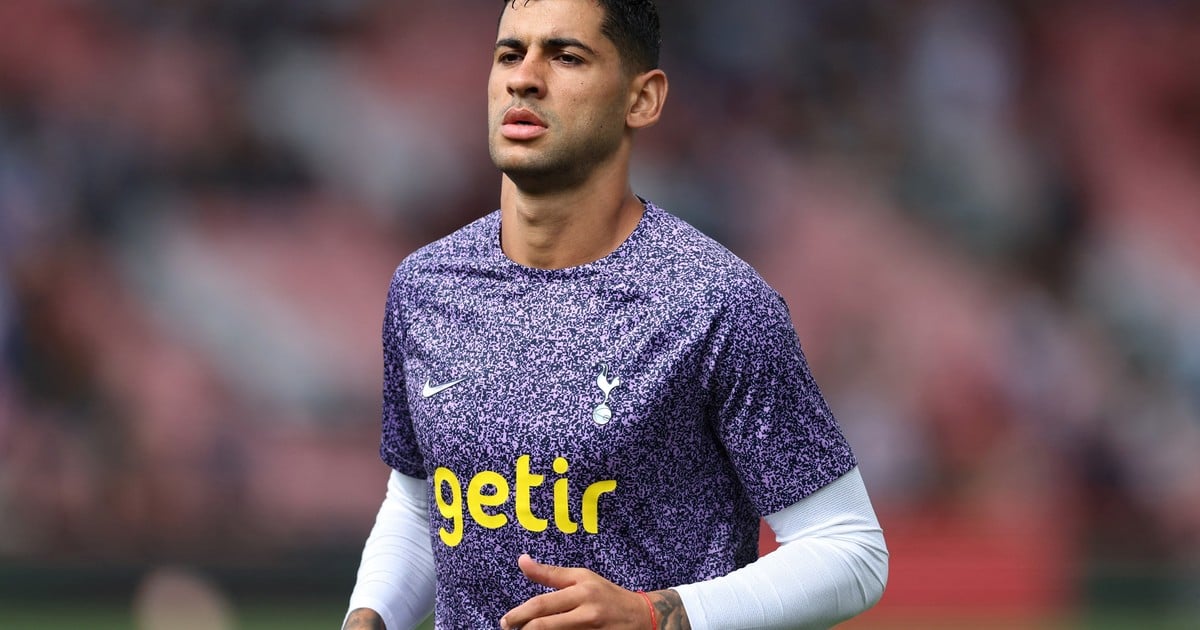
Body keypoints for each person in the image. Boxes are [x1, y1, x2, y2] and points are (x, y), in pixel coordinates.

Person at [344, 1, 888, 628]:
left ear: (643, 99)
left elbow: (849, 548)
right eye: (510, 54)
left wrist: (654, 615)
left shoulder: (717, 302)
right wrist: (369, 615)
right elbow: (420, 504)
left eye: (566, 57)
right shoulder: (425, 287)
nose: (525, 78)